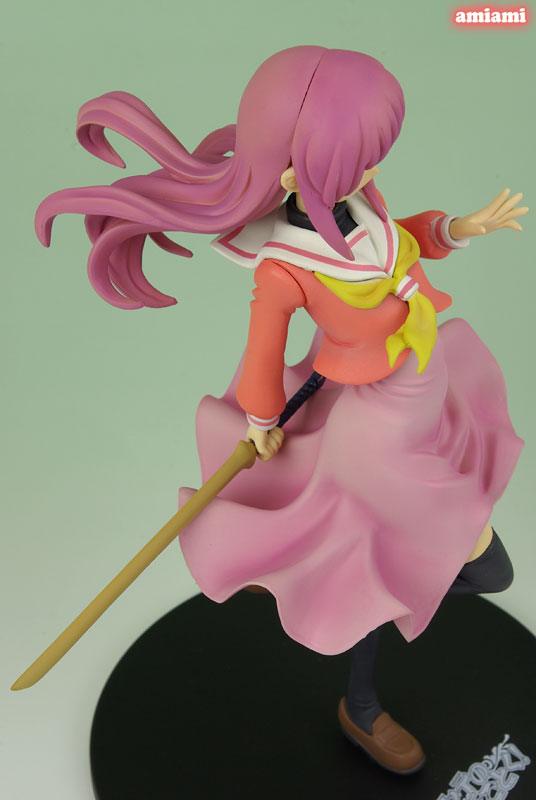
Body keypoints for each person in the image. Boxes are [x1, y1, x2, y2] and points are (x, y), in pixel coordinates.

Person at [36, 46, 526, 775]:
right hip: (381, 439)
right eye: (358, 158)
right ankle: (372, 639)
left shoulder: (359, 199)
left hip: (425, 386)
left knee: (382, 573)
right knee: (489, 572)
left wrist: (456, 230)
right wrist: (262, 423)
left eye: (372, 155)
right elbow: (263, 357)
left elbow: (392, 246)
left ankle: (366, 683)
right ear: (295, 173)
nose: (372, 169)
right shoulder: (285, 266)